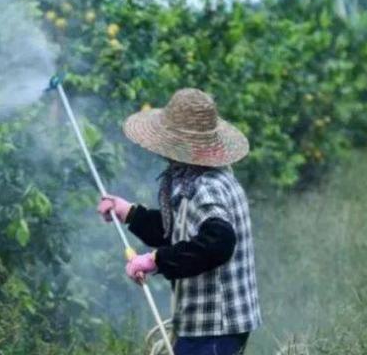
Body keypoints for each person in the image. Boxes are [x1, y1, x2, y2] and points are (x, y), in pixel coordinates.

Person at [97, 88, 261, 355]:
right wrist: (129, 213)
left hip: (216, 325)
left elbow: (219, 242)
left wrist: (155, 260)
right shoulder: (193, 177)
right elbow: (177, 230)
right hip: (211, 322)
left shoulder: (207, 186)